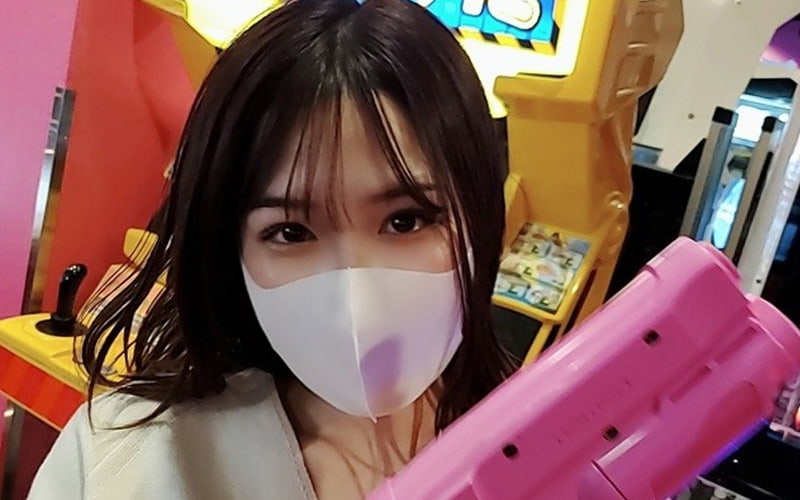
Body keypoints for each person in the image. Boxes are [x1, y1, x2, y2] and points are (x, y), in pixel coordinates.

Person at [28, 0, 515, 498]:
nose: (358, 302)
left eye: (405, 221)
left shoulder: (543, 439)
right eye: (291, 233)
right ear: (230, 245)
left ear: (477, 216)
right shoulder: (124, 462)